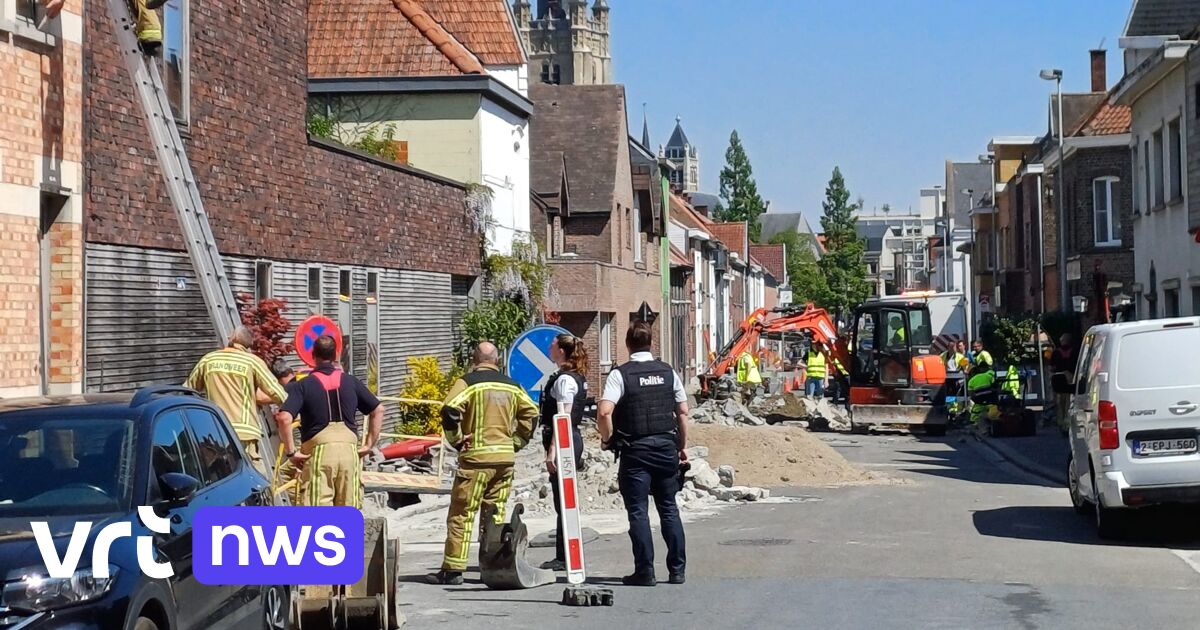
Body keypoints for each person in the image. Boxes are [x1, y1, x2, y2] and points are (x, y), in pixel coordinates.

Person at [427, 341, 538, 586]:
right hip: (504, 461)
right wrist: (516, 442)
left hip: (476, 460)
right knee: (494, 514)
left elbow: (449, 410)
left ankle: (453, 570)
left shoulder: (468, 383)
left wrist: (457, 441)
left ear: (474, 359)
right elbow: (531, 412)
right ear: (497, 360)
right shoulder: (513, 386)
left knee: (461, 514)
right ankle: (491, 565)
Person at [598, 321, 688, 587]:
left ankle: (645, 571)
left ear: (628, 344)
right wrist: (681, 446)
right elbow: (682, 411)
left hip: (635, 451)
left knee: (638, 512)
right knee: (669, 508)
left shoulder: (620, 375)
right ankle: (677, 570)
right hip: (665, 448)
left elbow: (604, 412)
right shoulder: (668, 371)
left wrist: (608, 439)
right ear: (652, 342)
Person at [274, 336, 383, 509]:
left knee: (319, 515)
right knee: (349, 511)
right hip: (349, 452)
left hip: (320, 453)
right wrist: (369, 444)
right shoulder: (351, 381)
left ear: (312, 355)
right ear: (336, 354)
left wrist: (291, 453)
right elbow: (378, 410)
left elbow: (284, 417)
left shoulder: (304, 385)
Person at [185, 325, 287, 477]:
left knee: (218, 480)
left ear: (232, 339)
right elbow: (279, 394)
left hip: (215, 433)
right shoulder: (252, 362)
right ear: (248, 345)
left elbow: (187, 391)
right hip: (244, 433)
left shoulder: (209, 360)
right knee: (255, 481)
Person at [539, 334, 589, 572]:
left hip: (565, 440)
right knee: (564, 499)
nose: (549, 346)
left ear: (561, 349)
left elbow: (563, 419)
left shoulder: (565, 381)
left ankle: (565, 555)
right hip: (569, 439)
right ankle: (566, 553)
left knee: (564, 500)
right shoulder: (570, 377)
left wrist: (552, 452)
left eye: (553, 343)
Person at [270, 359, 303, 505]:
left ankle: (297, 506)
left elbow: (262, 396)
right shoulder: (304, 383)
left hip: (305, 444)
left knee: (283, 473)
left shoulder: (289, 388)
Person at [1049, 333, 1077, 434]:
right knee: (1070, 401)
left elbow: (1052, 368)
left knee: (1060, 403)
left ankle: (1062, 423)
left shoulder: (1056, 352)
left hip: (1059, 379)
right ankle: (1068, 422)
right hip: (1071, 378)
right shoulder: (1074, 351)